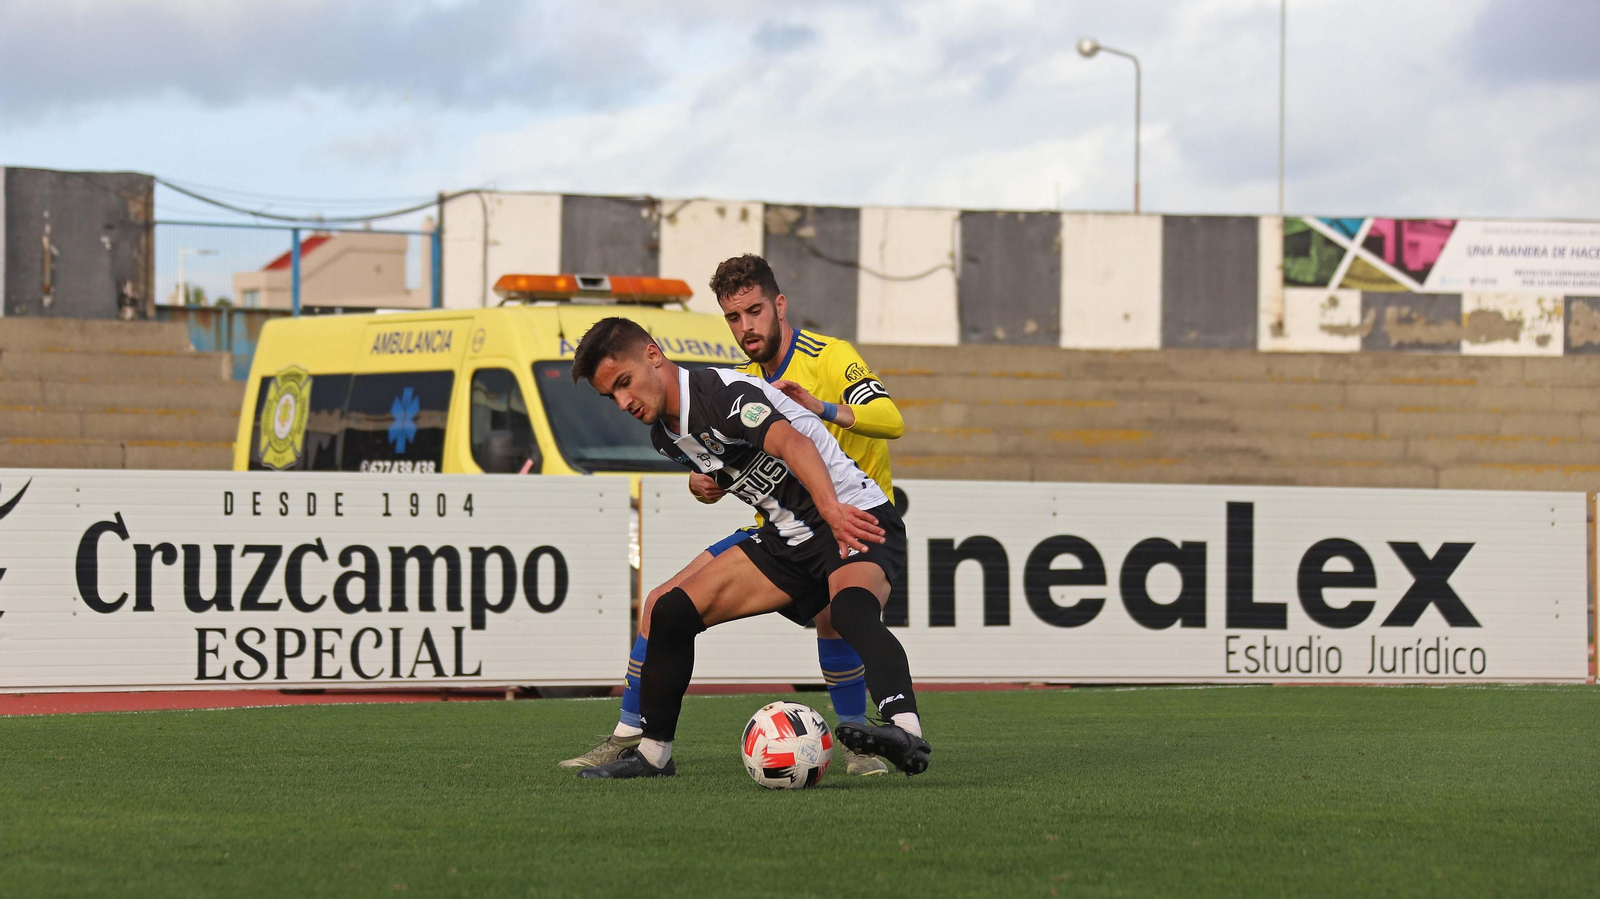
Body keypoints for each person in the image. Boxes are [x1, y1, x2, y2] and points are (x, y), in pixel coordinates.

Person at [560, 255, 906, 776]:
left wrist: (823, 412)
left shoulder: (824, 358)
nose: (745, 326)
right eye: (732, 317)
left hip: (852, 509)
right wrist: (709, 481)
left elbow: (881, 423)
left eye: (754, 312)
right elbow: (737, 456)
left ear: (779, 305)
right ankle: (643, 742)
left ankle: (876, 737)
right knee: (665, 605)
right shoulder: (695, 409)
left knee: (843, 616)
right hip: (784, 528)